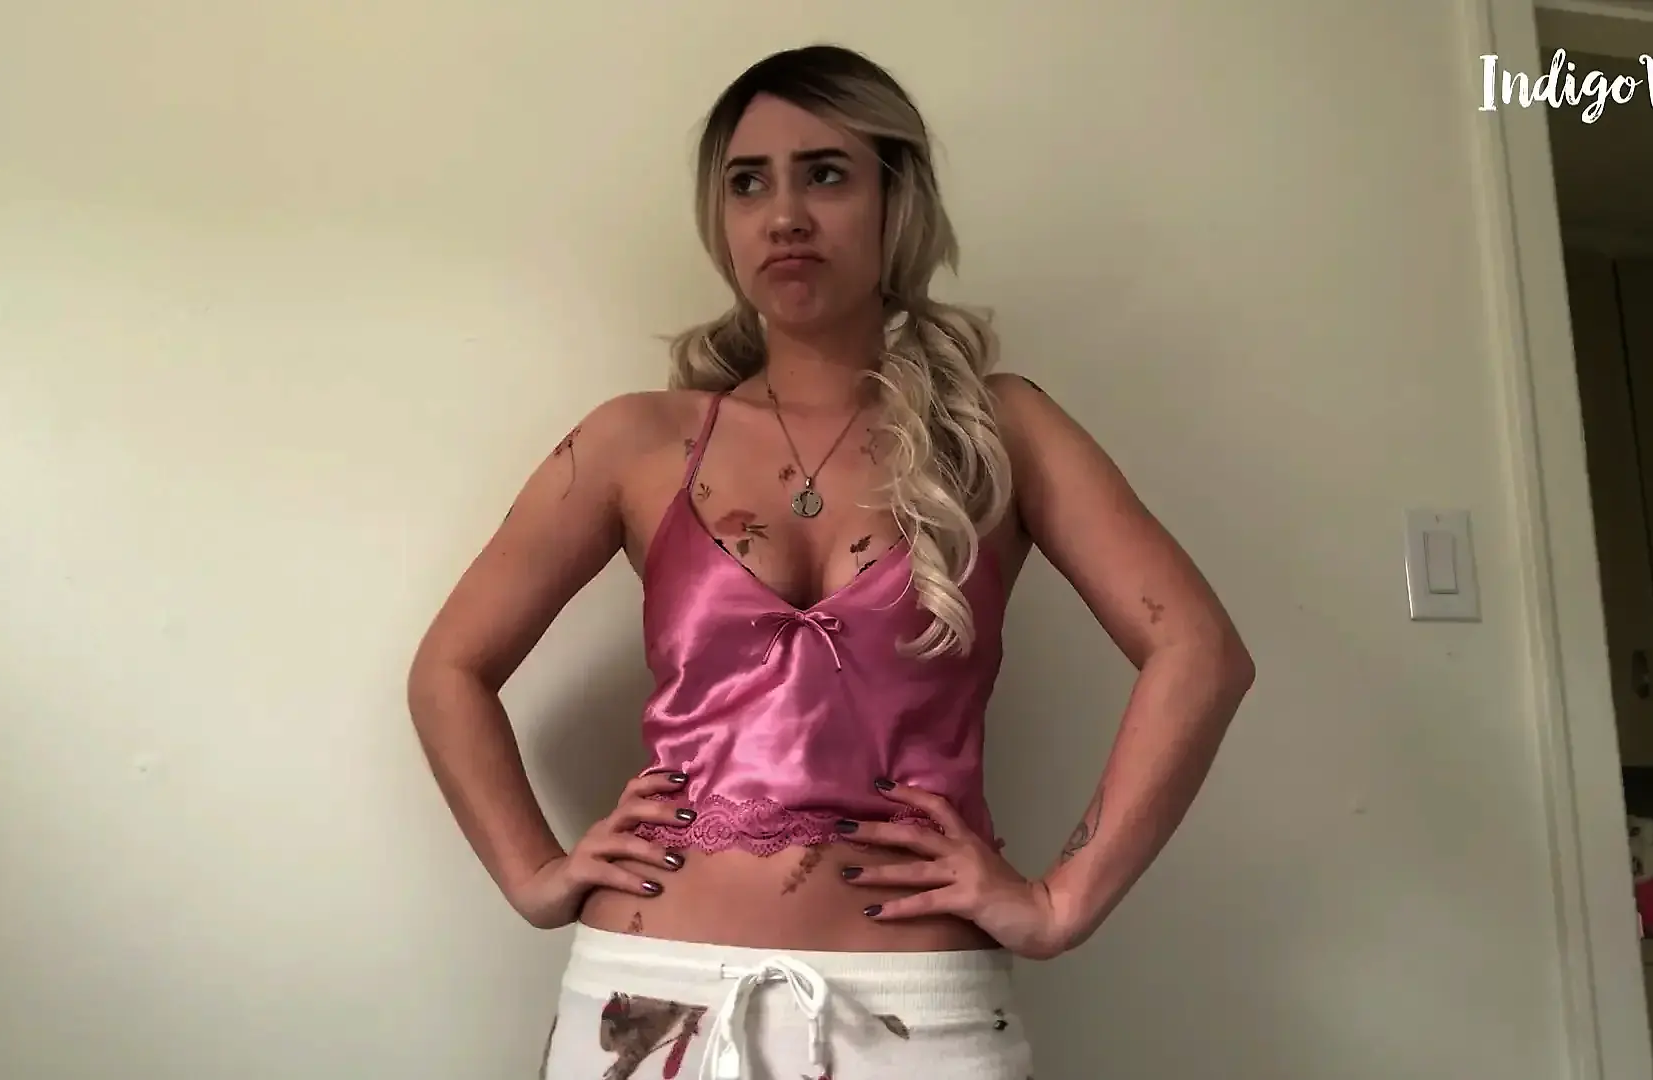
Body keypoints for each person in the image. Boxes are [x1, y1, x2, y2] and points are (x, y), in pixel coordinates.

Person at [407, 43, 1255, 1080]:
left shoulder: (1002, 431)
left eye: (825, 174)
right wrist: (535, 874)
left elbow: (1198, 651)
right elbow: (449, 669)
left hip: (917, 1018)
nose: (785, 215)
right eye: (747, 182)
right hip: (645, 994)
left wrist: (1060, 902)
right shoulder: (638, 441)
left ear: (895, 200)